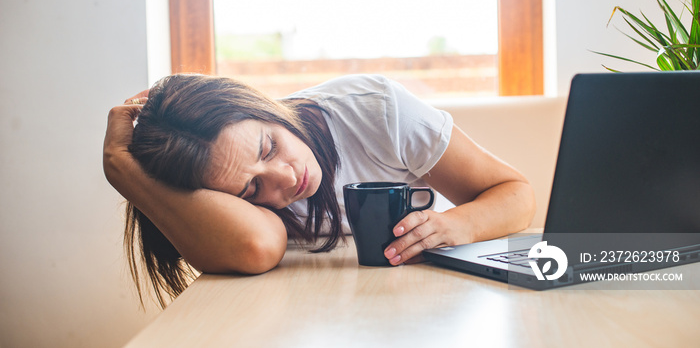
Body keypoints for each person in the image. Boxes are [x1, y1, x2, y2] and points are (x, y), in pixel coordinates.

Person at [103, 73, 535, 307]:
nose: (286, 179)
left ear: (259, 105)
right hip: (314, 312)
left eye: (269, 146)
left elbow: (515, 194)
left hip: (431, 298)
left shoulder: (377, 110)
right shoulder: (224, 198)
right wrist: (125, 172)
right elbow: (257, 246)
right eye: (253, 187)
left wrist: (455, 224)